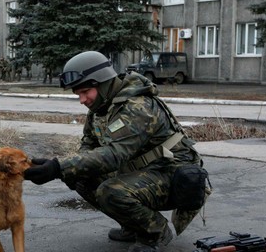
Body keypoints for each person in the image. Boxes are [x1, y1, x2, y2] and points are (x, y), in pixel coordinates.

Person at [24, 51, 206, 252]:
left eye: (85, 92)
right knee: (78, 177)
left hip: (170, 171)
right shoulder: (101, 106)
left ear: (102, 83)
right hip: (142, 170)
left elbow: (114, 154)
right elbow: (88, 145)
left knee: (110, 192)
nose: (81, 100)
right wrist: (62, 167)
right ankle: (133, 225)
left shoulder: (137, 106)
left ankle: (154, 232)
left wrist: (59, 167)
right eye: (78, 94)